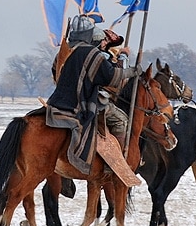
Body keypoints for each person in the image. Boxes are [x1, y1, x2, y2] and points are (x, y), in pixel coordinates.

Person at [46, 15, 137, 174]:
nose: (105, 44)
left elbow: (55, 73)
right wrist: (132, 70)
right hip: (82, 102)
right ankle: (114, 165)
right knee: (121, 120)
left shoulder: (65, 51)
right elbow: (111, 78)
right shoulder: (91, 53)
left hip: (56, 100)